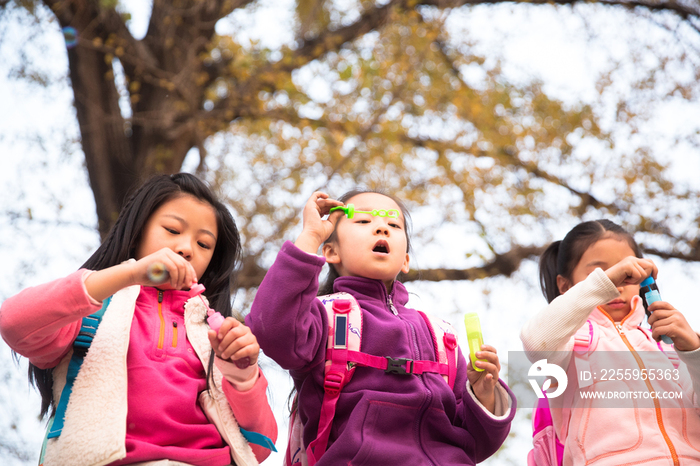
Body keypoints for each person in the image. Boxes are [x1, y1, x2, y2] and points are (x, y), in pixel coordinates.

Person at [0, 173, 277, 466]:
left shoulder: (217, 336)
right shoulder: (89, 314)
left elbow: (258, 448)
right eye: (172, 230)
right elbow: (14, 323)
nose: (186, 248)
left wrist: (244, 376)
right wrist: (130, 274)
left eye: (204, 244)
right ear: (137, 232)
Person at [246, 190, 515, 466]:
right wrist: (310, 237)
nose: (381, 226)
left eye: (394, 225)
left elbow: (474, 442)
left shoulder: (441, 337)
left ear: (406, 261)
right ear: (330, 252)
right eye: (363, 221)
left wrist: (483, 396)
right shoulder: (322, 318)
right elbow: (271, 328)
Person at [521, 219, 700, 465]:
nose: (618, 284)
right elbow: (537, 341)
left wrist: (694, 352)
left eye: (628, 273)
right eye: (600, 273)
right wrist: (607, 280)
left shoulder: (667, 349)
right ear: (565, 286)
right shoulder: (570, 347)